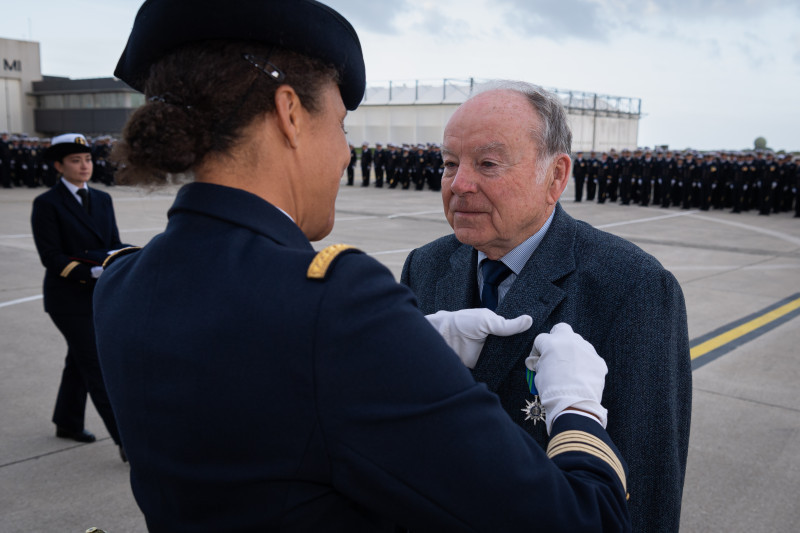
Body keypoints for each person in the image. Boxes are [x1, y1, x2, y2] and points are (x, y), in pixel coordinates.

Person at [93, 1, 630, 531]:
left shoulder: (122, 282)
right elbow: (583, 521)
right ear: (290, 114)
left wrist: (407, 343)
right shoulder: (335, 307)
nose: (347, 154)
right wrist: (576, 407)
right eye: (341, 125)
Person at [401, 82, 692, 533]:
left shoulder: (633, 287)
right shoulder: (426, 265)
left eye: (488, 164)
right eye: (449, 164)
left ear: (555, 177)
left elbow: (646, 485)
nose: (459, 184)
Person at [30, 133, 128, 461]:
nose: (84, 166)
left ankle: (67, 422)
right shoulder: (46, 204)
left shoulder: (102, 199)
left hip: (97, 295)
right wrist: (91, 273)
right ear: (59, 166)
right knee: (97, 365)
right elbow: (51, 256)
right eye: (75, 160)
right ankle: (127, 442)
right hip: (68, 298)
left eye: (87, 159)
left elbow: (111, 242)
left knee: (79, 362)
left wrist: (124, 261)